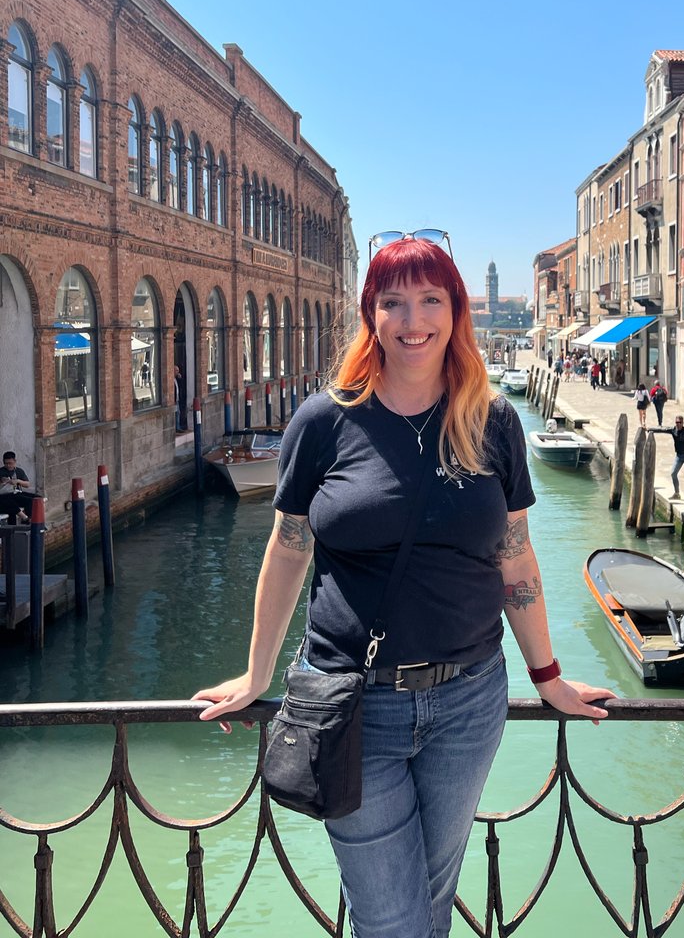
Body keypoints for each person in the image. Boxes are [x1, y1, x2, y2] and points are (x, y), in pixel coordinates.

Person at [193, 233, 611, 938]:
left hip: (468, 699)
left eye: (430, 300)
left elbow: (516, 560)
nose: (412, 319)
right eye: (393, 302)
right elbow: (288, 551)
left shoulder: (494, 421)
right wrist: (256, 672)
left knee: (431, 900)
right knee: (391, 920)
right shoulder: (323, 422)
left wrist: (549, 676)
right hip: (354, 704)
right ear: (371, 314)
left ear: (455, 312)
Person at [0, 451, 37, 523]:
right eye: (6, 463)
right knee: (10, 503)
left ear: (15, 461)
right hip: (5, 495)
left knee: (34, 498)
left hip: (16, 493)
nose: (8, 465)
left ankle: (30, 519)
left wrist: (18, 481)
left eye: (10, 463)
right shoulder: (1, 471)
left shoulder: (19, 471)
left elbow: (27, 484)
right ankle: (26, 519)